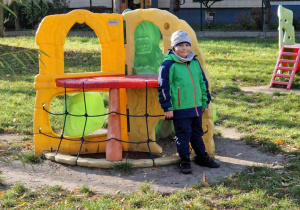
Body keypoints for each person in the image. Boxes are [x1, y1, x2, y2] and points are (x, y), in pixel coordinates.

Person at [158, 30, 220, 174]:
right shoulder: (168, 65)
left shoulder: (194, 62)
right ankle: (185, 160)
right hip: (180, 108)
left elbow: (202, 82)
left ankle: (201, 157)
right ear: (174, 47)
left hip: (196, 107)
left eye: (187, 45)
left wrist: (205, 102)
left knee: (197, 133)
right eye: (181, 45)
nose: (185, 48)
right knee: (183, 135)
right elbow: (163, 87)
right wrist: (167, 107)